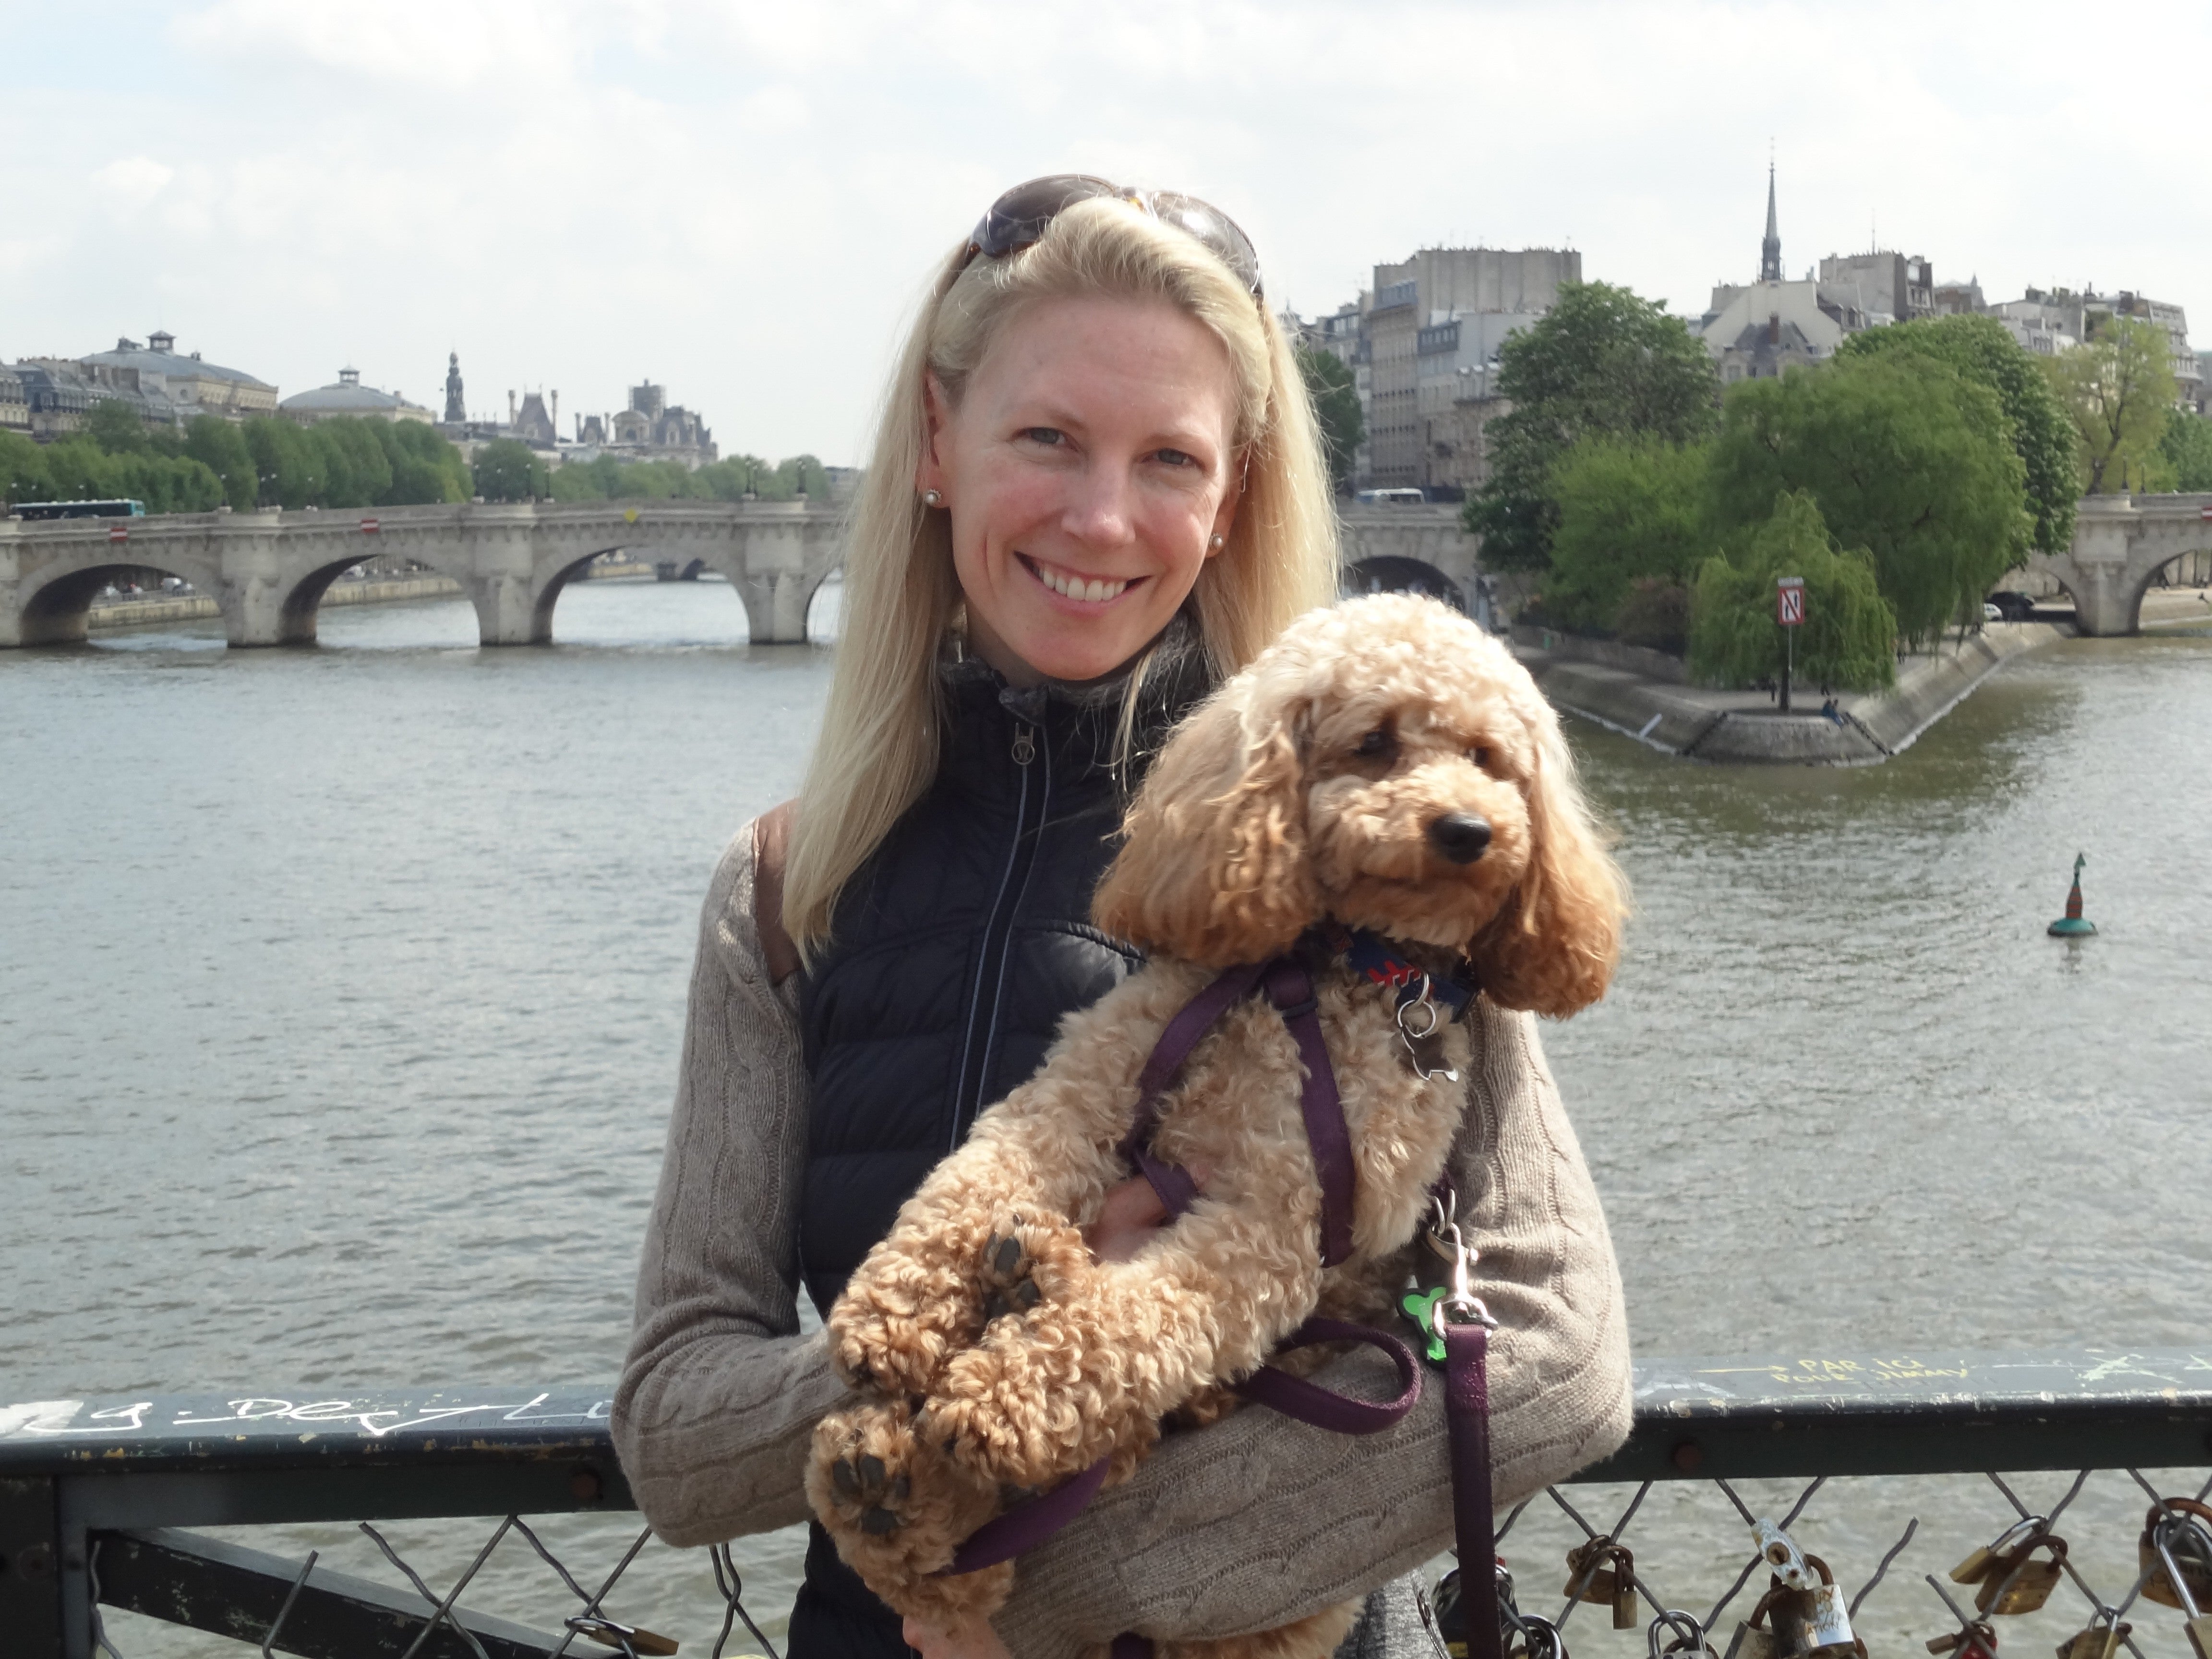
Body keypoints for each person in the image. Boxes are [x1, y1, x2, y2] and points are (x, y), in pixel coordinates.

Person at [612, 176, 1634, 1659]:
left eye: (1170, 458)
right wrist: (961, 1364)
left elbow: (1561, 1362)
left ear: (1229, 505)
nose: (1102, 517)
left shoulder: (1386, 871)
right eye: (1047, 439)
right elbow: (674, 1439)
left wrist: (1057, 1595)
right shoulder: (785, 888)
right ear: (936, 446)